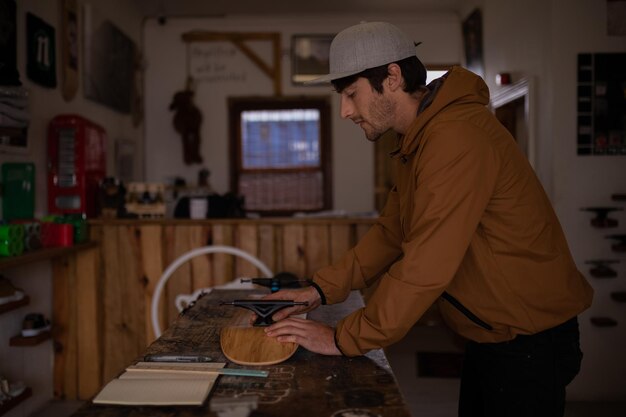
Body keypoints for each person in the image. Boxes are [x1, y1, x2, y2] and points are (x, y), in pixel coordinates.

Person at [262, 21, 593, 417]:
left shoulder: (456, 137)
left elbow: (426, 262)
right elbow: (391, 233)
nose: (345, 111)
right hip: (494, 335)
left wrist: (343, 338)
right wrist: (318, 290)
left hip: (527, 339)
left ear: (393, 76)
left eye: (351, 94)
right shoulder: (421, 139)